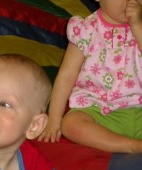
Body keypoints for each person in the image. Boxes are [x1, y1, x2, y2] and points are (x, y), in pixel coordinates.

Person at [38, 0, 142, 153]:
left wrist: (138, 27)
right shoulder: (86, 30)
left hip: (139, 109)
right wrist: (54, 119)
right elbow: (67, 75)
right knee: (70, 124)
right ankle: (130, 145)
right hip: (99, 110)